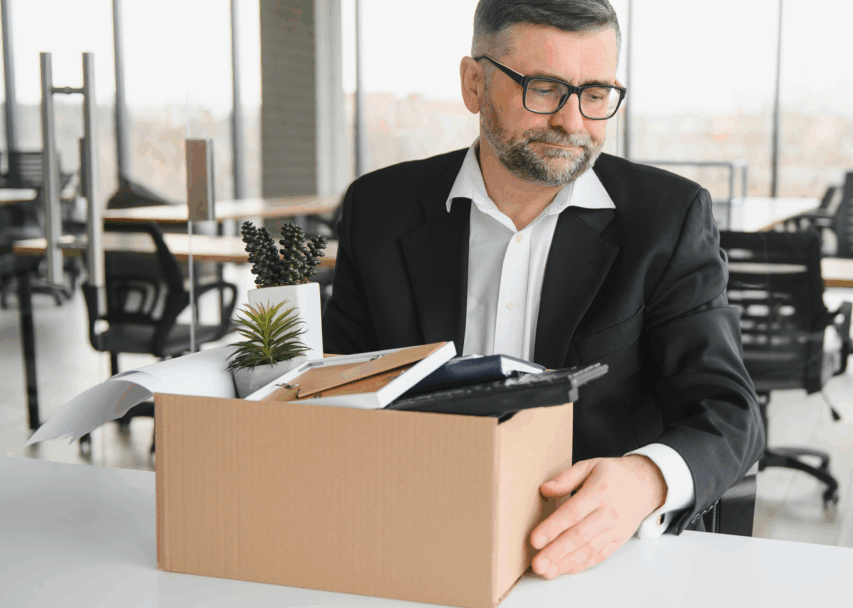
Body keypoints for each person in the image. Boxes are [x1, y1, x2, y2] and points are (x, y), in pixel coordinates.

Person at [323, 0, 764, 580]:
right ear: (474, 83)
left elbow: (731, 413)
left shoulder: (667, 218)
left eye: (596, 93)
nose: (573, 122)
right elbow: (336, 388)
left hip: (592, 555)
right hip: (409, 534)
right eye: (546, 88)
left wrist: (644, 479)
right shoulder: (378, 208)